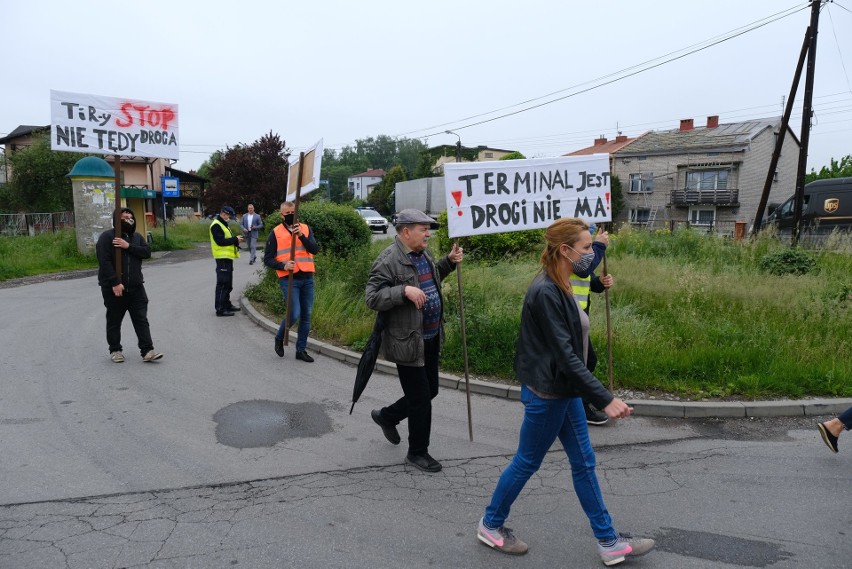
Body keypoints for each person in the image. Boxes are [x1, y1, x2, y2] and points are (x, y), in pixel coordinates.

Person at [476, 218, 654, 566]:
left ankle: (608, 541)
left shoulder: (566, 281)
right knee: (527, 461)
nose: (591, 254)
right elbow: (565, 355)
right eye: (587, 248)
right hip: (548, 392)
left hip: (565, 388)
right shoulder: (545, 291)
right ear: (565, 250)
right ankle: (490, 524)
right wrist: (604, 397)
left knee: (584, 463)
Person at [365, 209, 463, 473]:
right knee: (421, 398)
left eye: (428, 229)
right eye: (423, 229)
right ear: (406, 231)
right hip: (406, 340)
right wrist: (402, 291)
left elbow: (431, 281)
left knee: (430, 390)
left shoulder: (423, 255)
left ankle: (387, 416)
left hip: (429, 337)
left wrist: (449, 262)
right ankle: (417, 452)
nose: (428, 233)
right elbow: (372, 297)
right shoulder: (389, 260)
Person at [95, 207, 163, 363]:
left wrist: (128, 246)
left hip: (136, 287)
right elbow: (104, 262)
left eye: (130, 217)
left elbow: (146, 252)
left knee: (141, 319)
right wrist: (115, 282)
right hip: (114, 289)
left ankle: (147, 351)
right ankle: (116, 350)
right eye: (124, 217)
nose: (128, 219)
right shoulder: (106, 237)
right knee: (114, 320)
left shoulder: (137, 237)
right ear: (117, 220)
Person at [263, 201, 319, 362]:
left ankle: (300, 350)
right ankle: (279, 337)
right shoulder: (275, 233)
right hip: (288, 279)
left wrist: (300, 235)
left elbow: (314, 249)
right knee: (294, 313)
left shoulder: (306, 228)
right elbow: (268, 259)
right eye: (288, 213)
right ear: (282, 215)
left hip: (307, 277)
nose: (291, 215)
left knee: (306, 315)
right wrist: (283, 265)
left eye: (293, 212)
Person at [570, 224, 614, 426]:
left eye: (590, 247)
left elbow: (588, 279)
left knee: (584, 362)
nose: (589, 251)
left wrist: (601, 283)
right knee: (587, 362)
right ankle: (580, 406)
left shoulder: (581, 259)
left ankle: (574, 404)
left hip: (579, 317)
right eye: (586, 246)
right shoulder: (571, 258)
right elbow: (583, 269)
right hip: (569, 317)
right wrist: (599, 246)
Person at [210, 205, 244, 317]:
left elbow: (226, 239)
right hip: (222, 258)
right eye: (229, 216)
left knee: (228, 284)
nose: (230, 218)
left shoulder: (223, 224)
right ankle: (220, 309)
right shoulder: (216, 225)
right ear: (224, 214)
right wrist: (235, 239)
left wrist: (236, 240)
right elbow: (220, 241)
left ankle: (227, 305)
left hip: (227, 258)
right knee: (223, 284)